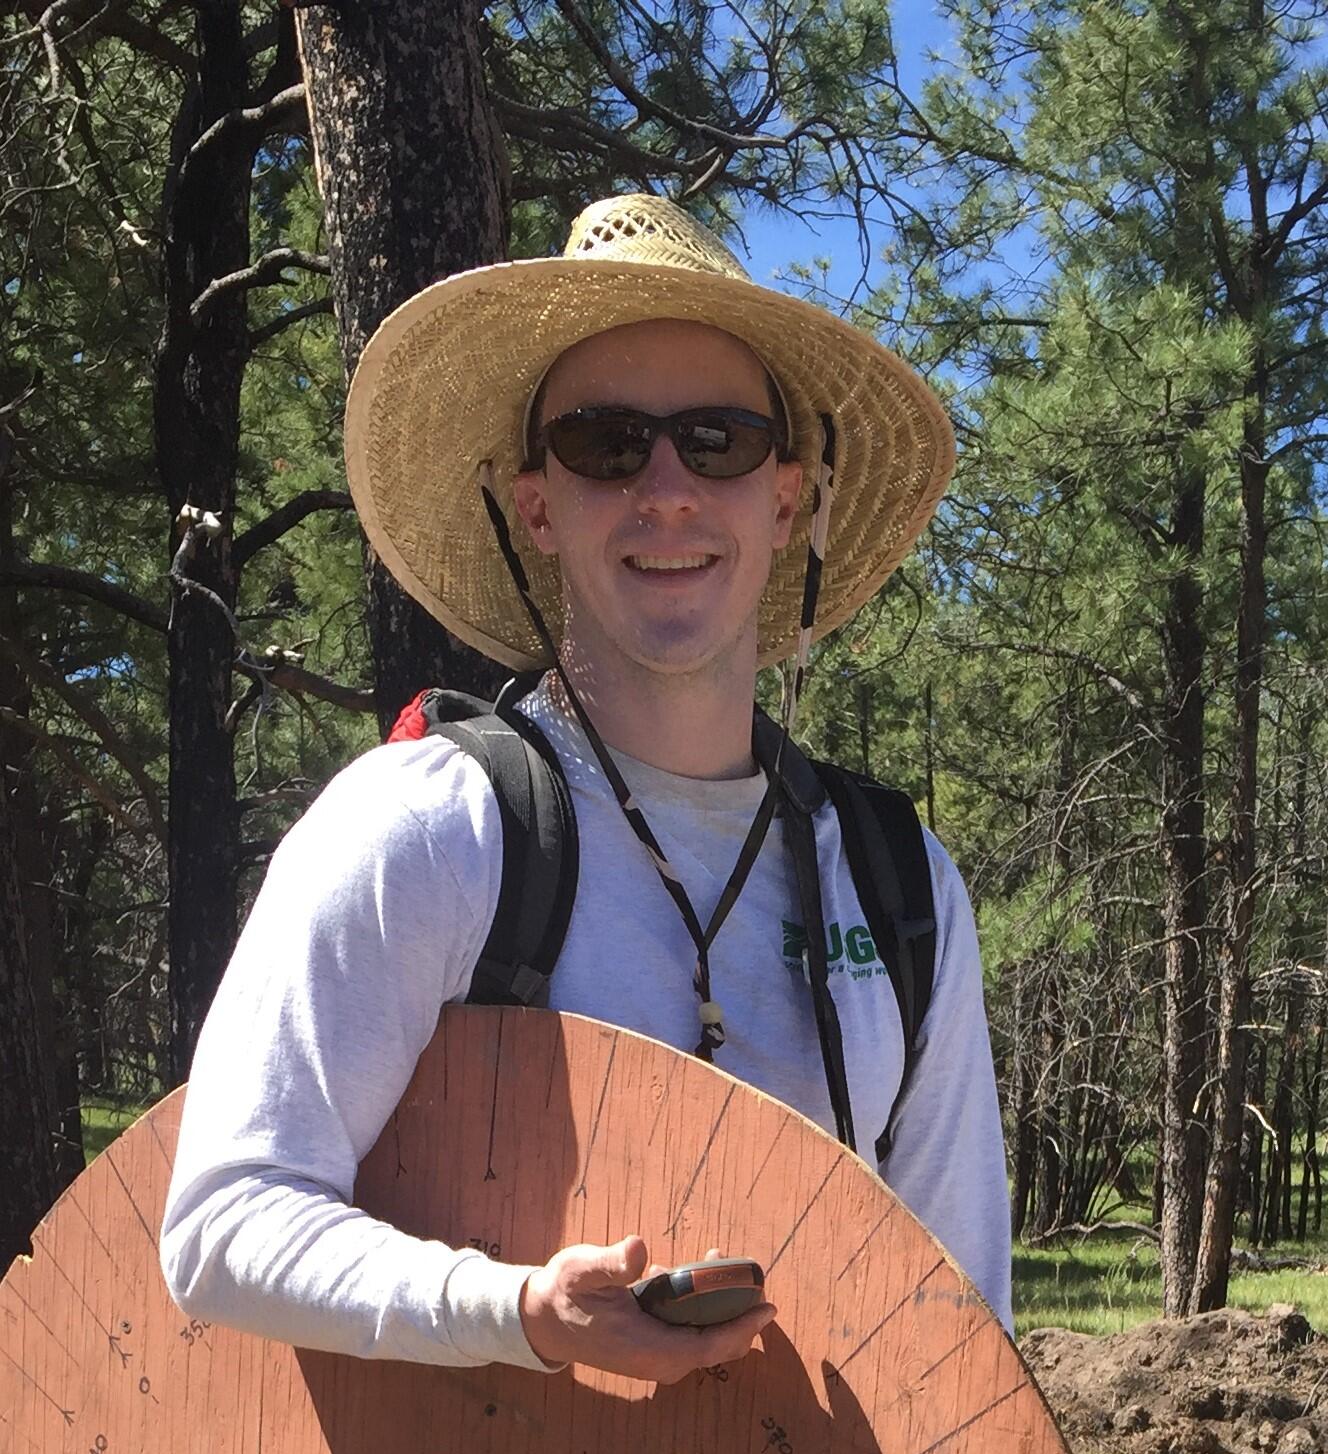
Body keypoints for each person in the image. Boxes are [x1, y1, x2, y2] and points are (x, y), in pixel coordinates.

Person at [160, 194, 1012, 1386]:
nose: (665, 487)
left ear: (786, 500)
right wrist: (510, 1310)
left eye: (715, 440)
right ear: (536, 506)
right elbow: (221, 1223)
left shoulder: (898, 881)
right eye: (605, 443)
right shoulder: (422, 829)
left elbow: (960, 1318)